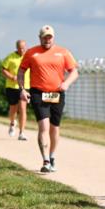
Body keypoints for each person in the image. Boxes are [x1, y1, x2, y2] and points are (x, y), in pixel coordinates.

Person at [18, 25, 79, 173]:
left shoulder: (63, 52)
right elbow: (21, 71)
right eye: (44, 37)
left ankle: (52, 157)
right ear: (40, 37)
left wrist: (66, 83)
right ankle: (45, 160)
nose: (47, 39)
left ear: (53, 37)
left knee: (54, 127)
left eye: (49, 37)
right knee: (43, 127)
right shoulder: (31, 53)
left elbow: (74, 72)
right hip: (38, 93)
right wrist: (23, 89)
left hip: (57, 93)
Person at [1, 39, 30, 141]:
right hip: (12, 86)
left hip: (25, 87)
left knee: (22, 108)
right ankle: (12, 123)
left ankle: (21, 133)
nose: (22, 50)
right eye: (20, 48)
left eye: (24, 48)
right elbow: (3, 70)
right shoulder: (10, 57)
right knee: (13, 108)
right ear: (17, 48)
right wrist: (12, 77)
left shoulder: (29, 57)